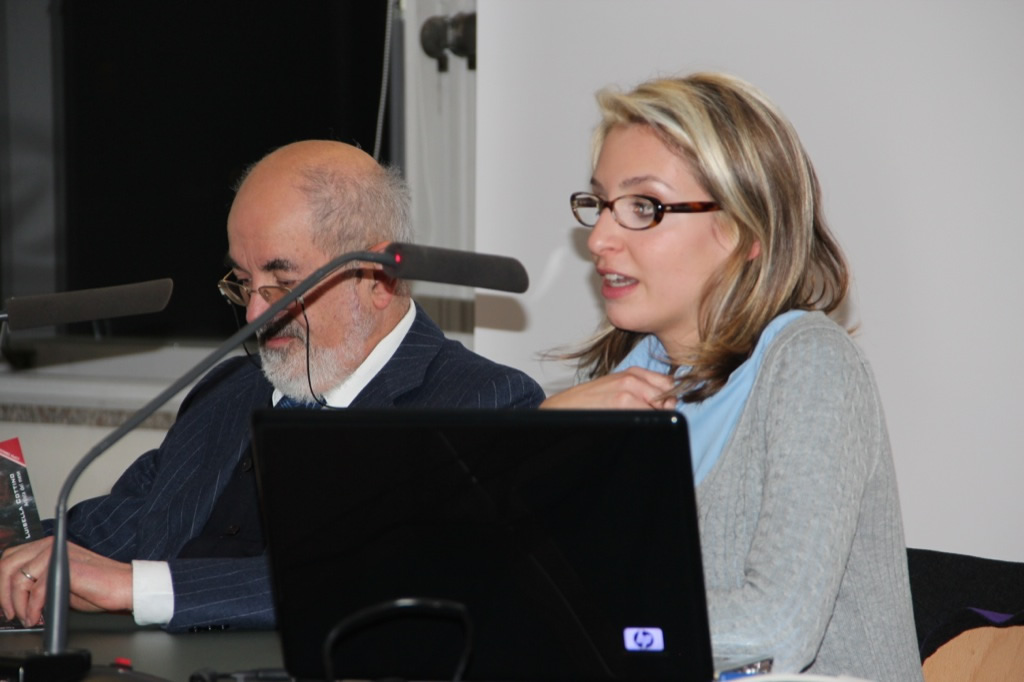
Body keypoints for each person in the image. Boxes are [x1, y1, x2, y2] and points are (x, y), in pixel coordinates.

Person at [0, 140, 545, 631]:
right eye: (243, 283)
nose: (255, 315)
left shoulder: (481, 404)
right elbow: (116, 529)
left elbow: (377, 577)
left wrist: (136, 588)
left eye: (283, 284)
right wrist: (14, 551)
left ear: (379, 278)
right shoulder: (229, 389)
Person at [543, 73, 923, 680]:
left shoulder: (811, 364)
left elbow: (775, 629)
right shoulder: (620, 379)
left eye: (643, 207)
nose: (599, 238)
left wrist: (577, 621)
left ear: (747, 231)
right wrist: (541, 443)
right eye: (601, 205)